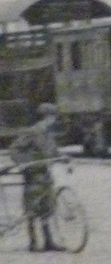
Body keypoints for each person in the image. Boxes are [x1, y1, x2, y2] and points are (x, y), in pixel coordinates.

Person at [9, 105, 62, 253]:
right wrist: (25, 163)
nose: (54, 119)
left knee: (46, 206)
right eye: (53, 116)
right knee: (32, 208)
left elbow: (54, 151)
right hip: (33, 174)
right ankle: (33, 242)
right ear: (47, 117)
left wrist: (63, 158)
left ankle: (48, 241)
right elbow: (14, 149)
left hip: (45, 173)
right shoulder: (31, 132)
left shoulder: (47, 134)